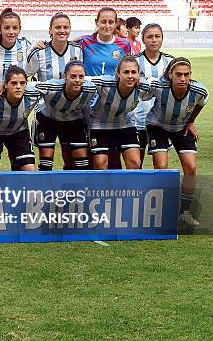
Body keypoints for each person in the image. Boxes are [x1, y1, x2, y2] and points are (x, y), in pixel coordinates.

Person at [146, 57, 208, 226]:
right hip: (157, 125)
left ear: (190, 75)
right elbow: (143, 92)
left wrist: (191, 121)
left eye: (186, 75)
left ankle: (184, 212)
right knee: (161, 166)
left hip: (182, 127)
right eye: (178, 74)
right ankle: (159, 210)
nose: (183, 78)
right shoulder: (159, 86)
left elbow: (201, 104)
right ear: (170, 75)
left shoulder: (199, 91)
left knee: (191, 168)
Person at [89, 56, 153, 169]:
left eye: (134, 72)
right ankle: (102, 187)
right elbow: (82, 80)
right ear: (118, 74)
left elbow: (160, 87)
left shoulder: (142, 88)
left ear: (139, 74)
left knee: (135, 163)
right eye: (126, 72)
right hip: (100, 124)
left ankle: (130, 187)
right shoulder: (104, 83)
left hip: (125, 123)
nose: (130, 76)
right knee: (100, 163)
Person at [34, 60, 97, 171]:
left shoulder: (90, 89)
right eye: (73, 76)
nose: (77, 80)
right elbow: (29, 87)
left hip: (73, 119)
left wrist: (88, 128)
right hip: (48, 119)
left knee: (82, 164)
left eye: (81, 76)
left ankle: (79, 188)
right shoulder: (51, 87)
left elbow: (86, 107)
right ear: (65, 77)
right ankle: (44, 188)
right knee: (46, 163)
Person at [0, 66, 37, 171]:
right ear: (6, 85)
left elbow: (56, 85)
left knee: (30, 170)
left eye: (22, 83)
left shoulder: (33, 93)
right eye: (13, 83)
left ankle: (18, 185)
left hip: (18, 131)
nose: (18, 87)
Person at [134, 23, 174, 162]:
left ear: (162, 38)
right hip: (136, 120)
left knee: (161, 165)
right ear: (143, 39)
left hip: (161, 122)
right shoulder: (134, 62)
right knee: (135, 164)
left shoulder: (170, 62)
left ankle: (159, 185)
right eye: (149, 36)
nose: (154, 40)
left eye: (157, 36)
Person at [0, 8, 32, 89]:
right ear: (0, 29)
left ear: (19, 29)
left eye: (15, 28)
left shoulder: (26, 45)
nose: (11, 32)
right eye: (7, 28)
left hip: (18, 101)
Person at [27, 13, 82, 81]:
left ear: (70, 29)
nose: (62, 31)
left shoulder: (78, 50)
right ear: (50, 30)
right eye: (58, 27)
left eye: (65, 27)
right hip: (46, 92)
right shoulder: (39, 52)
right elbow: (24, 75)